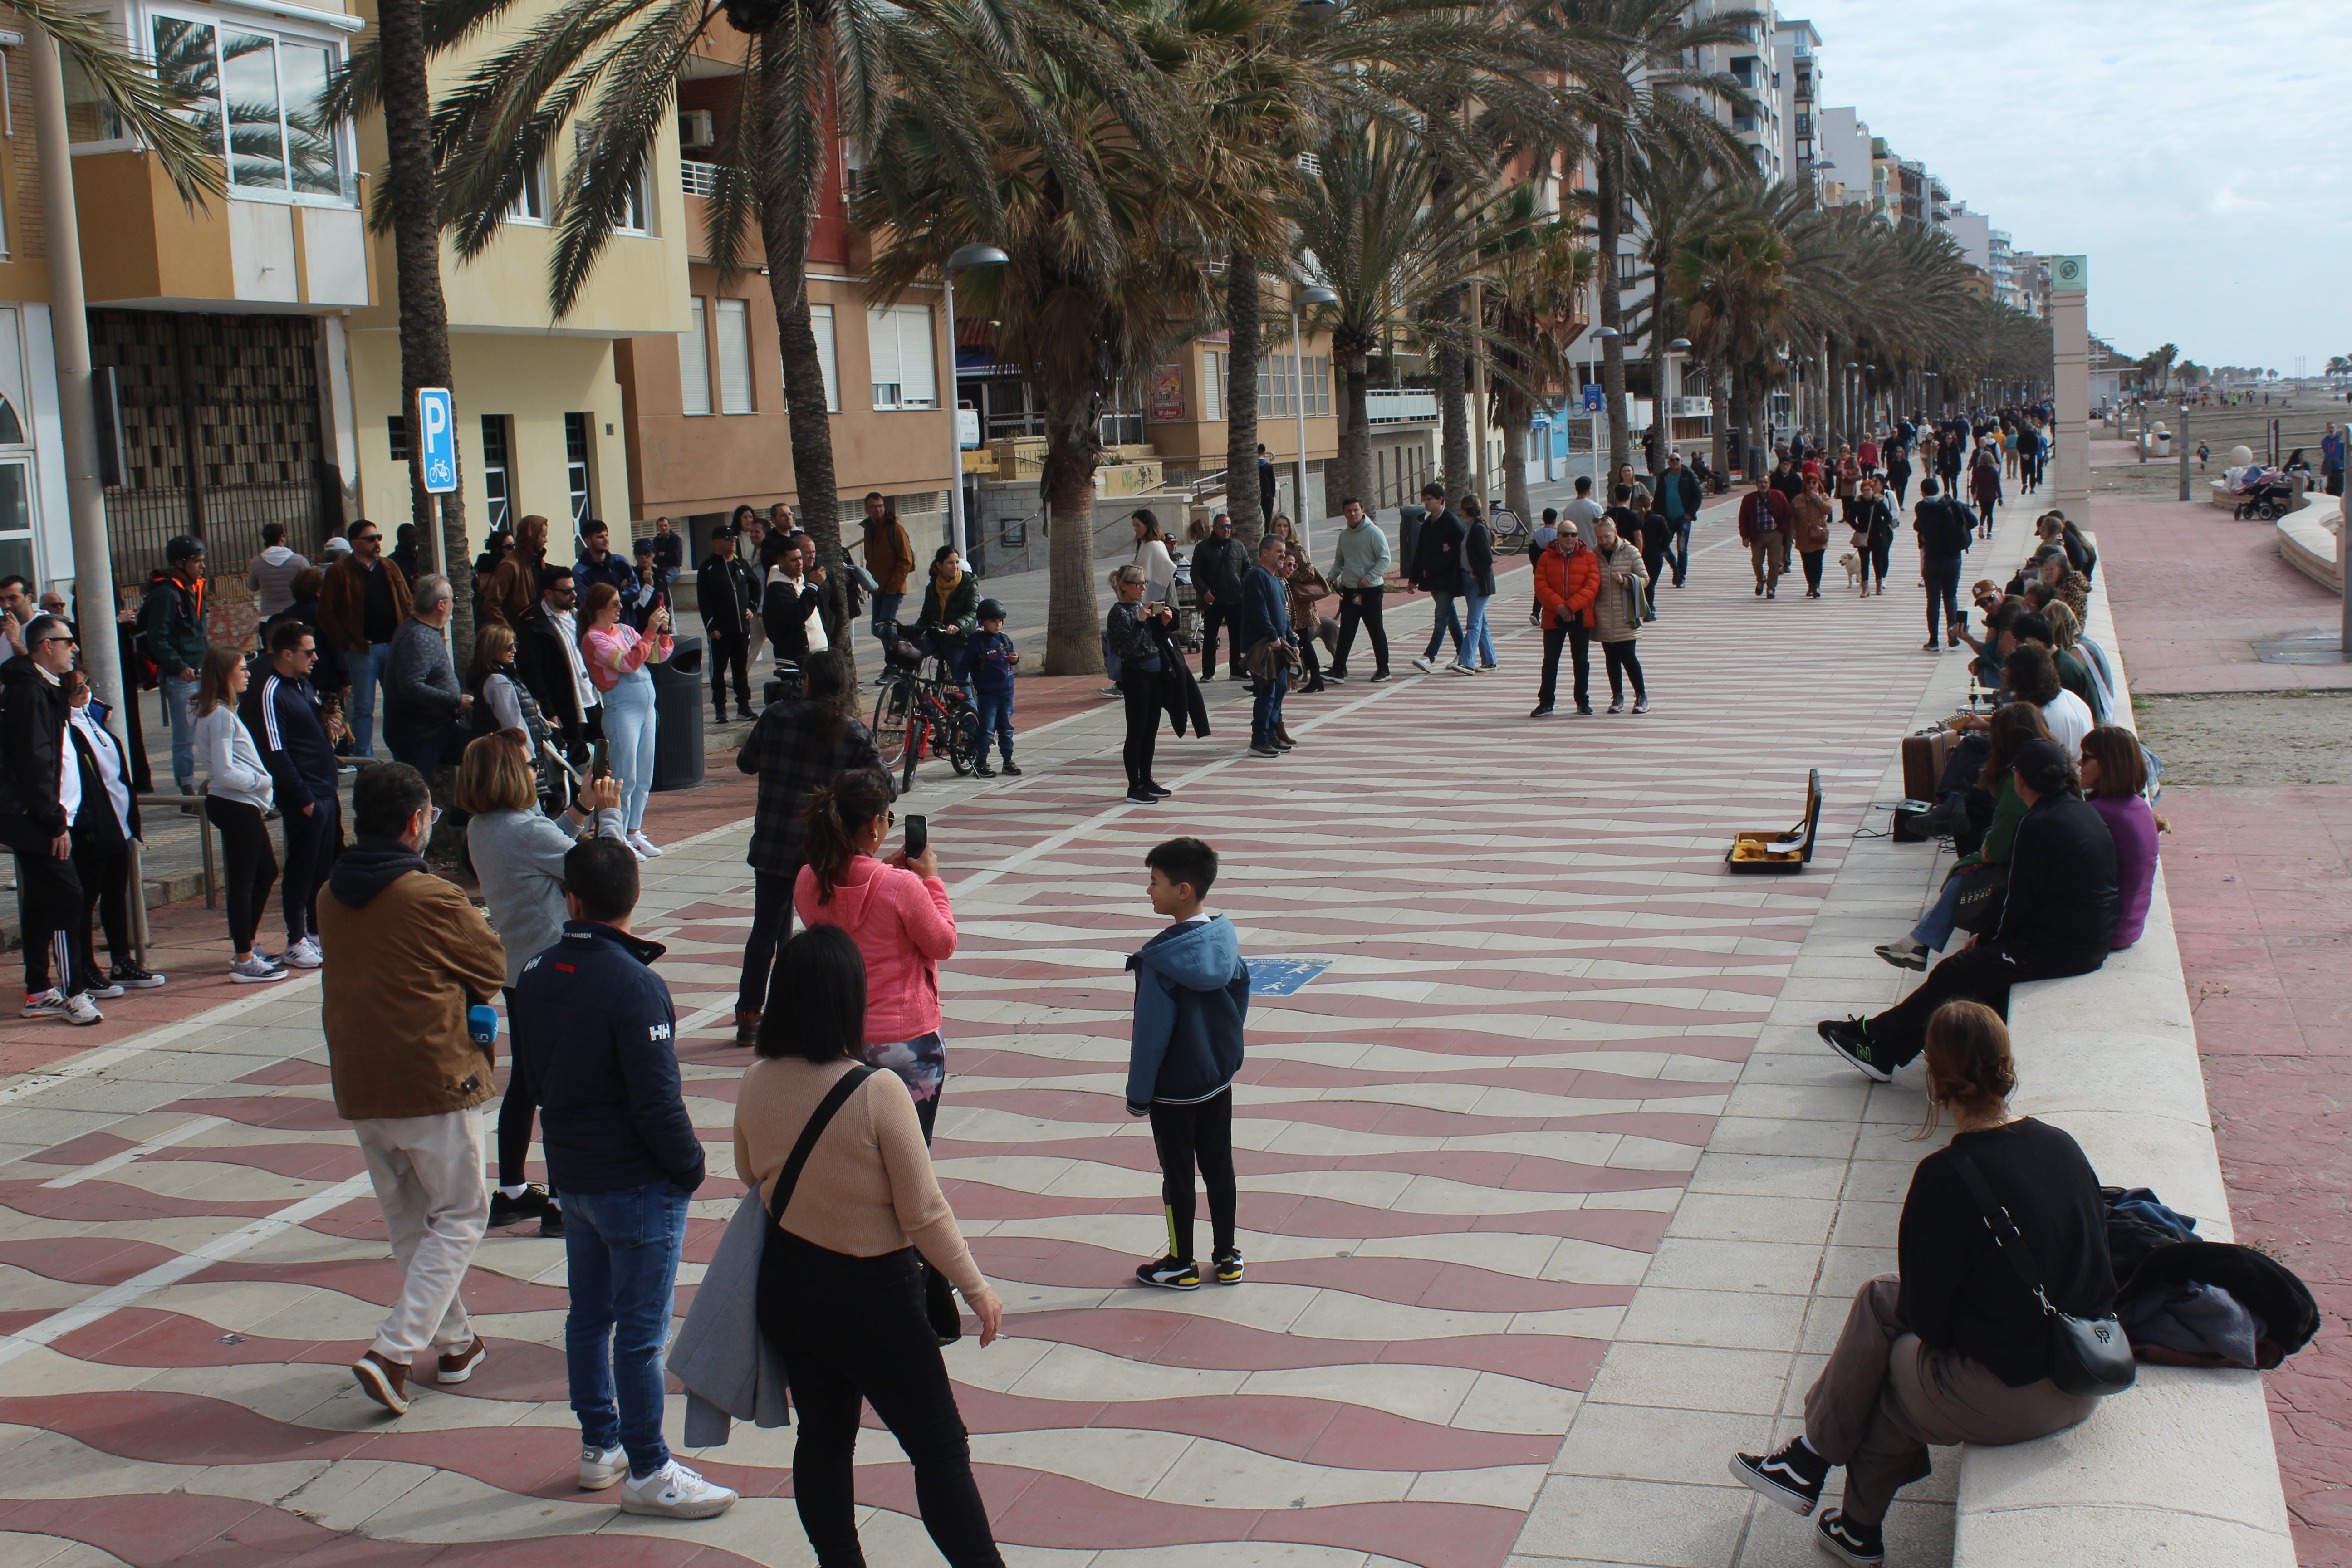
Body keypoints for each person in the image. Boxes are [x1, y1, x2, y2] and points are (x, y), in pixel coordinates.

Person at [1732, 1002, 2112, 1564]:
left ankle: (1818, 1466)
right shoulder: (2062, 1145)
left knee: (1885, 1373)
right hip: (2083, 1379)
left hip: (2013, 1399)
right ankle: (1841, 1513)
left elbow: (1929, 1324)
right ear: (2007, 1065)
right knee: (1882, 1309)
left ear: (1934, 1080)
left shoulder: (1944, 1177)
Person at [735, 925, 1005, 1567]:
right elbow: (925, 1212)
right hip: (872, 1295)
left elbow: (751, 1176)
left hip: (791, 1286)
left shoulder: (758, 1079)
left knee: (825, 1439)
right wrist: (976, 1287)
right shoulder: (878, 1090)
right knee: (939, 1449)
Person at [507, 833, 734, 1517]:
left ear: (570, 898)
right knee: (640, 1331)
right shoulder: (636, 984)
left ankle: (599, 1444)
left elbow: (533, 1078)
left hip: (575, 1175)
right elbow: (657, 1099)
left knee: (590, 1318)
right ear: (633, 898)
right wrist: (690, 1166)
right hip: (637, 1182)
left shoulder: (540, 970)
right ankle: (648, 1466)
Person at [322, 762, 509, 1417]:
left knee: (411, 1225)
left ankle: (455, 1345)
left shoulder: (330, 893)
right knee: (460, 1215)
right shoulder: (427, 896)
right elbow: (492, 961)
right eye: (428, 816)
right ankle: (393, 1350)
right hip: (431, 1077)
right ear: (414, 823)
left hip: (362, 1083)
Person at [1818, 738, 2117, 1081]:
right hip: (2086, 942)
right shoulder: (2079, 809)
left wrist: (1989, 941)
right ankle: (1884, 1050)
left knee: (1956, 971)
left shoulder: (2039, 824)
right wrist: (1990, 938)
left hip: (2062, 951)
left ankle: (1876, 1039)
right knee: (1969, 975)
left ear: (2019, 780)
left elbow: (2019, 902)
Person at [464, 731, 625, 1237]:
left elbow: (545, 838)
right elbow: (604, 870)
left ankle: (511, 1189)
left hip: (518, 969)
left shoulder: (484, 827)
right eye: (529, 764)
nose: (536, 770)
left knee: (529, 1081)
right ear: (511, 774)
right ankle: (560, 1201)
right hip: (559, 967)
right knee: (562, 1081)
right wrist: (611, 815)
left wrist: (580, 807)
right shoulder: (525, 833)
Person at [733, 650, 888, 1044]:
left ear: (805, 681)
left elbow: (745, 764)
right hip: (824, 850)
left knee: (766, 930)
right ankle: (824, 1016)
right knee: (829, 934)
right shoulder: (853, 733)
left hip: (772, 845)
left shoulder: (776, 716)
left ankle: (750, 1014)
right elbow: (888, 787)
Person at [1125, 836, 1250, 1290]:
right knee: (1220, 1166)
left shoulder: (1160, 961)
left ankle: (1181, 1261)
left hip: (1174, 1090)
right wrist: (1225, 1054)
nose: (1148, 890)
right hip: (1217, 1078)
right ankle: (1228, 1255)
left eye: (1154, 882)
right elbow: (1240, 997)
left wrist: (1139, 1094)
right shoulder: (1222, 938)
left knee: (1177, 1173)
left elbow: (1151, 1036)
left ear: (1183, 890)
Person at [1876, 702, 2049, 973]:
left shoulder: (2021, 781)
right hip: (2041, 864)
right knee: (1970, 842)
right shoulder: (2050, 763)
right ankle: (1918, 943)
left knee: (1970, 868)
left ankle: (1919, 943)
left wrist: (1986, 847)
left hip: (2036, 877)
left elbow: (1999, 847)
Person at [2, 615, 106, 1023]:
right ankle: (73, 990)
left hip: (44, 815)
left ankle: (37, 989)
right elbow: (35, 761)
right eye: (68, 641)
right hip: (38, 818)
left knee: (43, 902)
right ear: (47, 646)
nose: (74, 648)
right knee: (68, 897)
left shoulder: (42, 688)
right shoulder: (30, 692)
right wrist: (54, 821)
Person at [245, 622, 342, 970]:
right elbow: (276, 751)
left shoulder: (304, 684)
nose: (315, 657)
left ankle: (316, 931)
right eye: (308, 652)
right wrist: (303, 796)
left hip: (325, 788)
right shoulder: (272, 691)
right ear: (286, 654)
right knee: (301, 867)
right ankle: (296, 937)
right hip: (306, 793)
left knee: (323, 866)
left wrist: (326, 726)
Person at [62, 666, 160, 998]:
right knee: (86, 899)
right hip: (92, 827)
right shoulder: (64, 727)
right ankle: (85, 967)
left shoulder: (95, 720)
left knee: (116, 895)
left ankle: (122, 961)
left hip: (118, 822)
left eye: (86, 684)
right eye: (76, 688)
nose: (84, 691)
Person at [194, 644, 288, 983]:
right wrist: (263, 780)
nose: (248, 674)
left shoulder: (221, 713)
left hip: (241, 804)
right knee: (245, 880)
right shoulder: (218, 715)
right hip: (235, 804)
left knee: (265, 871)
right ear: (225, 675)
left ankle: (247, 943)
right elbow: (223, 772)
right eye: (242, 669)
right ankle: (244, 958)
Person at [580, 580, 672, 857]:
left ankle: (634, 831)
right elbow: (627, 663)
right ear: (600, 608)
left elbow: (657, 655)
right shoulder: (594, 638)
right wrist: (650, 631)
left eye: (620, 602)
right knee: (625, 776)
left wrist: (663, 632)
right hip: (622, 709)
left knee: (645, 774)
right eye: (615, 603)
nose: (621, 607)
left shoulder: (625, 630)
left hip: (645, 708)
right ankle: (616, 835)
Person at [318, 521, 411, 759]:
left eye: (378, 537)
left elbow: (407, 602)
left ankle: (402, 755)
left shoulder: (389, 567)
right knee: (363, 708)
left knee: (398, 705)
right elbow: (326, 614)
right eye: (370, 539)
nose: (377, 543)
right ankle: (364, 761)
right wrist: (348, 641)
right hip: (363, 651)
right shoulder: (340, 572)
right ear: (355, 543)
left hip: (393, 646)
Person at [2079, 725, 2162, 951]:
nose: (2079, 763)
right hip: (2131, 927)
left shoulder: (2100, 813)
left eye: (2087, 757)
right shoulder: (2139, 807)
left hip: (2107, 932)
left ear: (2108, 764)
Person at [383, 574, 473, 778]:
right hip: (420, 735)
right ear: (441, 604)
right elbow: (411, 686)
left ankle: (465, 810)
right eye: (453, 600)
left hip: (439, 729)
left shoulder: (422, 632)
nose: (454, 604)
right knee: (413, 792)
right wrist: (456, 700)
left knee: (486, 756)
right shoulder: (418, 636)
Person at [138, 536, 210, 791]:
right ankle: (187, 789)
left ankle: (221, 782)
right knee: (185, 737)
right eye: (197, 562)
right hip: (182, 677)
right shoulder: (167, 595)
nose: (202, 566)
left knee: (217, 729)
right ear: (180, 563)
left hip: (203, 669)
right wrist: (179, 666)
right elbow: (158, 638)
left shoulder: (196, 587)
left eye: (203, 561)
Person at [1106, 564, 1176, 804]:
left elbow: (1154, 639)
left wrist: (1163, 623)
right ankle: (1134, 786)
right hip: (1136, 676)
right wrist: (1140, 621)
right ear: (1123, 586)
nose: (1142, 588)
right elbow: (1125, 649)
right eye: (1138, 584)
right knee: (1136, 731)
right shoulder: (1118, 613)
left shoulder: (1140, 607)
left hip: (1155, 675)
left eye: (1144, 583)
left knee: (1151, 731)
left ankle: (1147, 780)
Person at [515, 566, 599, 760]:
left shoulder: (580, 615)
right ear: (549, 593)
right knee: (576, 761)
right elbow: (532, 673)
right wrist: (549, 711)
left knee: (601, 758)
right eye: (566, 591)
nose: (574, 594)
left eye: (574, 588)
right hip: (566, 705)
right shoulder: (532, 623)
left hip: (593, 698)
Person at [1529, 511, 1600, 719]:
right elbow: (1540, 586)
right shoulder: (1545, 557)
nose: (1570, 538)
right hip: (1554, 616)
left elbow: (1592, 586)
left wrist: (1571, 607)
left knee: (1581, 661)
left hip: (1580, 615)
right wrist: (1560, 607)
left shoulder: (1589, 558)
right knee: (1550, 660)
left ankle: (1582, 701)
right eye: (1565, 534)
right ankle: (1546, 702)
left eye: (1573, 534)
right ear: (1557, 536)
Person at [696, 524, 760, 724]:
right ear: (716, 542)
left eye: (733, 538)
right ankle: (720, 709)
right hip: (721, 631)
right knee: (719, 671)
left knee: (741, 670)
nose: (732, 542)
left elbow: (756, 585)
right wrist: (710, 625)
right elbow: (703, 599)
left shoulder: (741, 564)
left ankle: (744, 706)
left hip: (741, 628)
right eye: (727, 538)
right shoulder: (708, 567)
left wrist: (752, 606)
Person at [1323, 498, 1391, 684]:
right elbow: (1340, 560)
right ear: (1344, 513)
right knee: (1346, 631)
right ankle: (1338, 670)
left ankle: (1384, 669)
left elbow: (1385, 559)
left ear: (1363, 511)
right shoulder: (1344, 535)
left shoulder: (1374, 533)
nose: (1352, 514)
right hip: (1350, 590)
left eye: (1356, 510)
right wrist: (1332, 576)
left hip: (1371, 590)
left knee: (1375, 630)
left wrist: (1369, 578)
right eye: (1348, 511)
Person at [1242, 532, 1296, 756]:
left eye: (1284, 551)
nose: (1283, 555)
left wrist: (1291, 640)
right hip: (1264, 647)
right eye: (1279, 551)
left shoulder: (1277, 580)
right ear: (1265, 553)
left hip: (1280, 646)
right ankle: (1259, 740)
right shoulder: (1258, 576)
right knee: (1267, 692)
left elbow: (1283, 615)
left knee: (1279, 690)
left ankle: (1272, 735)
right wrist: (1272, 636)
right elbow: (1259, 611)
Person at [1590, 514, 1650, 714]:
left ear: (1615, 532)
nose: (1603, 541)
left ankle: (1641, 696)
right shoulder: (1594, 555)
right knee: (1611, 657)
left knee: (1628, 655)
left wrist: (1626, 580)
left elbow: (1645, 579)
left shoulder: (1631, 552)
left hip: (1626, 614)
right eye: (1599, 538)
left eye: (1607, 536)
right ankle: (1617, 696)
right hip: (1604, 614)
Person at [1407, 481, 1466, 674]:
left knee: (1441, 617)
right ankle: (1464, 653)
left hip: (1448, 580)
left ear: (1441, 500)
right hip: (1433, 579)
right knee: (1451, 618)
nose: (1426, 504)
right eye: (1424, 500)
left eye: (1430, 500)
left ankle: (1429, 657)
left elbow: (1455, 554)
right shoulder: (1428, 523)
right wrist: (1413, 578)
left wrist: (1432, 566)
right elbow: (1421, 551)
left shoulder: (1452, 523)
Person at [1913, 478, 1973, 652]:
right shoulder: (1954, 504)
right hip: (1953, 558)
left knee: (1933, 601)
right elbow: (1974, 521)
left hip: (1932, 558)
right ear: (1939, 489)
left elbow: (1918, 526)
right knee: (1951, 596)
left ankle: (1933, 641)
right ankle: (1952, 627)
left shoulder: (1921, 508)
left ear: (1923, 492)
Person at [1270, 518, 1328, 692]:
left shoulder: (1297, 549)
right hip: (1281, 600)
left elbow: (1309, 574)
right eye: (1278, 525)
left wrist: (1288, 573)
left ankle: (1316, 677)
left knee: (1302, 641)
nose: (1282, 529)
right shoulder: (1272, 546)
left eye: (1285, 526)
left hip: (1298, 604)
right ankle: (1270, 677)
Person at [858, 493, 916, 661]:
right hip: (878, 589)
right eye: (874, 507)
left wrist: (893, 586)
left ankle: (894, 664)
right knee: (877, 629)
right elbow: (871, 559)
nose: (879, 510)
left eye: (881, 505)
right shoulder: (869, 531)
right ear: (867, 510)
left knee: (886, 628)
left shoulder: (895, 529)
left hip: (892, 589)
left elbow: (906, 560)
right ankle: (904, 650)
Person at [1191, 512, 1248, 680]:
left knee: (1237, 637)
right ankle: (1208, 673)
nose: (1226, 530)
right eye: (1222, 526)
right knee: (1210, 637)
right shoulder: (1203, 548)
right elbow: (1196, 573)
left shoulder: (1239, 546)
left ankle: (1237, 670)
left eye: (1229, 526)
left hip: (1236, 599)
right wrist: (1204, 591)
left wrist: (1242, 585)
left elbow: (1248, 567)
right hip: (1214, 600)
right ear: (1215, 528)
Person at [915, 545, 979, 684]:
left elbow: (973, 613)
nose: (955, 567)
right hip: (935, 636)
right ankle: (903, 700)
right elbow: (926, 615)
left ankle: (969, 705)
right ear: (939, 565)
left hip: (957, 639)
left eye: (957, 562)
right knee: (909, 656)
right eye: (950, 563)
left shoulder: (969, 584)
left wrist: (958, 625)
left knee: (961, 681)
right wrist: (914, 632)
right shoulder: (933, 586)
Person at [483, 514, 549, 630]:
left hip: (541, 632)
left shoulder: (538, 561)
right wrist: (509, 633)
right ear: (532, 537)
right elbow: (491, 605)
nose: (546, 540)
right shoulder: (509, 566)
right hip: (522, 636)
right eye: (543, 536)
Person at [1738, 471, 1791, 599]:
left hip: (1774, 535)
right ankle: (1761, 580)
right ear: (1756, 484)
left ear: (1770, 484)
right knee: (1757, 562)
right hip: (1757, 536)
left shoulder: (1779, 496)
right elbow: (1743, 519)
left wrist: (1782, 531)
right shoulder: (1749, 499)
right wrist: (1745, 537)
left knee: (1774, 563)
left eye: (1766, 482)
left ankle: (1771, 588)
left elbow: (1787, 514)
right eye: (1761, 482)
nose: (1763, 485)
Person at [1652, 451, 1701, 586]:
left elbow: (1698, 494)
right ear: (1669, 462)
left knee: (1682, 548)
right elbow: (1658, 496)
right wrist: (1658, 514)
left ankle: (1681, 577)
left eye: (1677, 459)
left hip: (1683, 518)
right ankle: (1676, 569)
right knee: (1662, 545)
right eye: (1672, 460)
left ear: (1682, 461)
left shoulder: (1688, 475)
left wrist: (1690, 513)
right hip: (1667, 519)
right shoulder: (1665, 476)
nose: (1675, 462)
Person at [245, 523, 310, 620]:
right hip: (294, 615)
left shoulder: (257, 563)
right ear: (282, 537)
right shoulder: (300, 561)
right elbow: (312, 587)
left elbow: (252, 587)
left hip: (268, 616)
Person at [1790, 472, 1835, 599]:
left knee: (1817, 560)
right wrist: (1793, 532)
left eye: (1814, 483)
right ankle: (1810, 585)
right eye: (1809, 482)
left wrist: (1817, 498)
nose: (1811, 485)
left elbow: (1828, 510)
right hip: (1803, 535)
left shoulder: (1824, 497)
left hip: (1819, 535)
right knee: (1807, 561)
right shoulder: (1798, 499)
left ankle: (1817, 586)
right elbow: (1792, 517)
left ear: (1818, 484)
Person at [1849, 477, 1896, 596]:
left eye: (1868, 490)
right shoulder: (1858, 503)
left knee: (1877, 561)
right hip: (1863, 537)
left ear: (1873, 490)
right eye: (1864, 490)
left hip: (1877, 536)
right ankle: (1865, 588)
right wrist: (1858, 528)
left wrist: (1881, 527)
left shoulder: (1878, 502)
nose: (1866, 492)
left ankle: (1879, 586)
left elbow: (1889, 517)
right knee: (1864, 562)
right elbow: (1850, 518)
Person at [574, 519, 637, 603]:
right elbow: (590, 603)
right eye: (600, 537)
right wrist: (620, 593)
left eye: (607, 535)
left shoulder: (620, 561)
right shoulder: (579, 572)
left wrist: (605, 597)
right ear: (588, 541)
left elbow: (636, 592)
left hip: (628, 617)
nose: (606, 540)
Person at [1131, 509, 1177, 604]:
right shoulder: (1145, 544)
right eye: (1134, 526)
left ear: (1148, 525)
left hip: (1161, 593)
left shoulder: (1155, 545)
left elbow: (1167, 568)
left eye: (1138, 525)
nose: (1135, 529)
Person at [1560, 475, 1605, 551]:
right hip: (1593, 550)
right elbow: (1603, 529)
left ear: (1576, 489)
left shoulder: (1568, 509)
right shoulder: (1596, 508)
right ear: (1589, 490)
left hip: (1575, 551)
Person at [1969, 444, 2004, 538]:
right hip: (1991, 495)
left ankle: (1981, 526)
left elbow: (1973, 483)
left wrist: (1973, 493)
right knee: (1990, 514)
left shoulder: (1977, 470)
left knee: (1983, 512)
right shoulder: (1993, 471)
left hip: (1981, 494)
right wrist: (2000, 496)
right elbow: (1997, 485)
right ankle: (1989, 532)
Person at [1256, 441, 1277, 524]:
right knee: (1268, 517)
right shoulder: (1269, 467)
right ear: (1264, 453)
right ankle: (1267, 533)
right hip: (1267, 495)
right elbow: (1273, 482)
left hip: (1256, 495)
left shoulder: (1254, 466)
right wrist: (1273, 494)